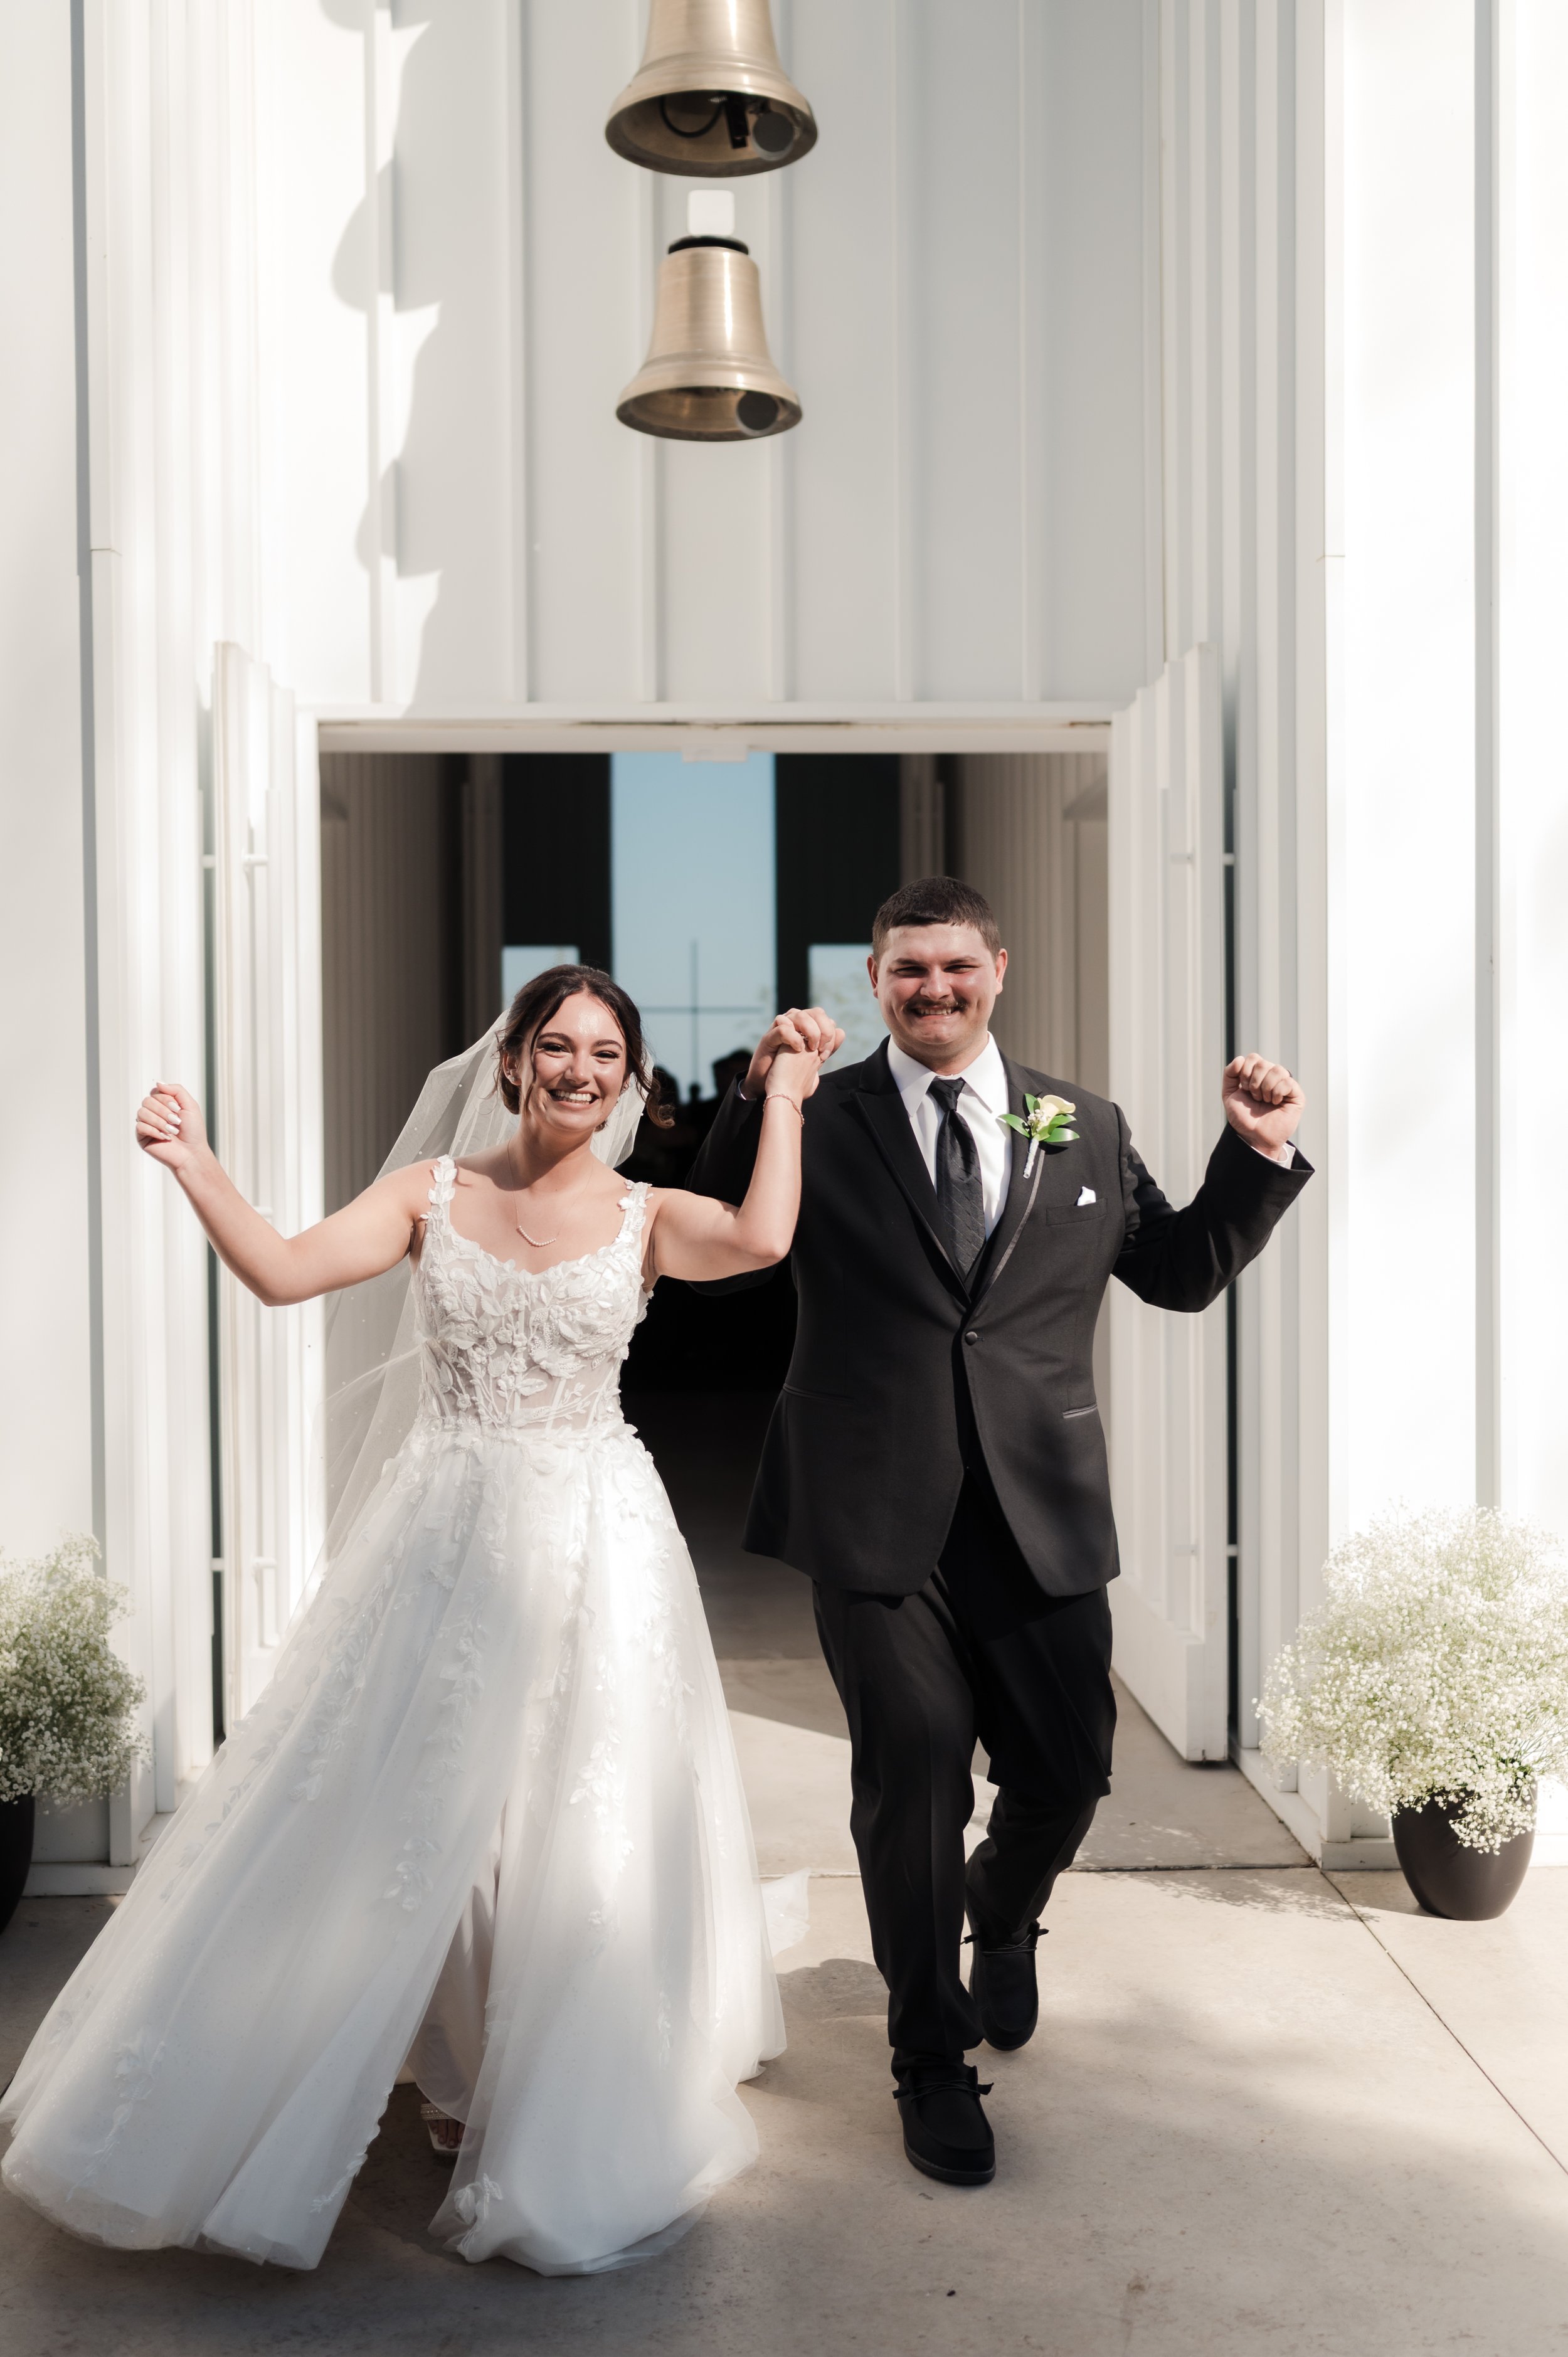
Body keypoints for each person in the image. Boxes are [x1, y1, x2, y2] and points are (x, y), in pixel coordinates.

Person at [1, 965, 839, 2275]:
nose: (578, 1069)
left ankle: (548, 2064)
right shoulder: (432, 1196)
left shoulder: (648, 1212)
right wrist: (196, 1164)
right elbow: (282, 1273)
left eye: (604, 1053)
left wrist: (786, 1090)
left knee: (570, 1816)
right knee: (415, 1804)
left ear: (630, 1079)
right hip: (443, 1530)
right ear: (508, 1061)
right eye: (554, 1045)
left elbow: (764, 1240)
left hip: (594, 1536)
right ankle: (450, 2059)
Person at [687, 877, 1310, 2188]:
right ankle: (927, 2061)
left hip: (1037, 1510)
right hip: (870, 1512)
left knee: (1068, 1772)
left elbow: (1181, 1273)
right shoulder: (827, 1116)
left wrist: (1250, 1155)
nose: (932, 990)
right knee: (909, 1771)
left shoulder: (1079, 1123)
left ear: (996, 970)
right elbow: (721, 1231)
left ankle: (1001, 1913)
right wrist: (761, 1094)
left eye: (953, 967)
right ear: (874, 981)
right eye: (906, 969)